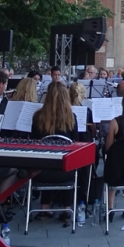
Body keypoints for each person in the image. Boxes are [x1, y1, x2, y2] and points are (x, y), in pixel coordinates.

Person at [31, 81, 78, 221]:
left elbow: (34, 142)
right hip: (65, 172)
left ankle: (44, 208)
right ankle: (66, 208)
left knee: (47, 161)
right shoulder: (71, 118)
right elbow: (74, 144)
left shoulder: (38, 117)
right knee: (70, 162)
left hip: (42, 171)